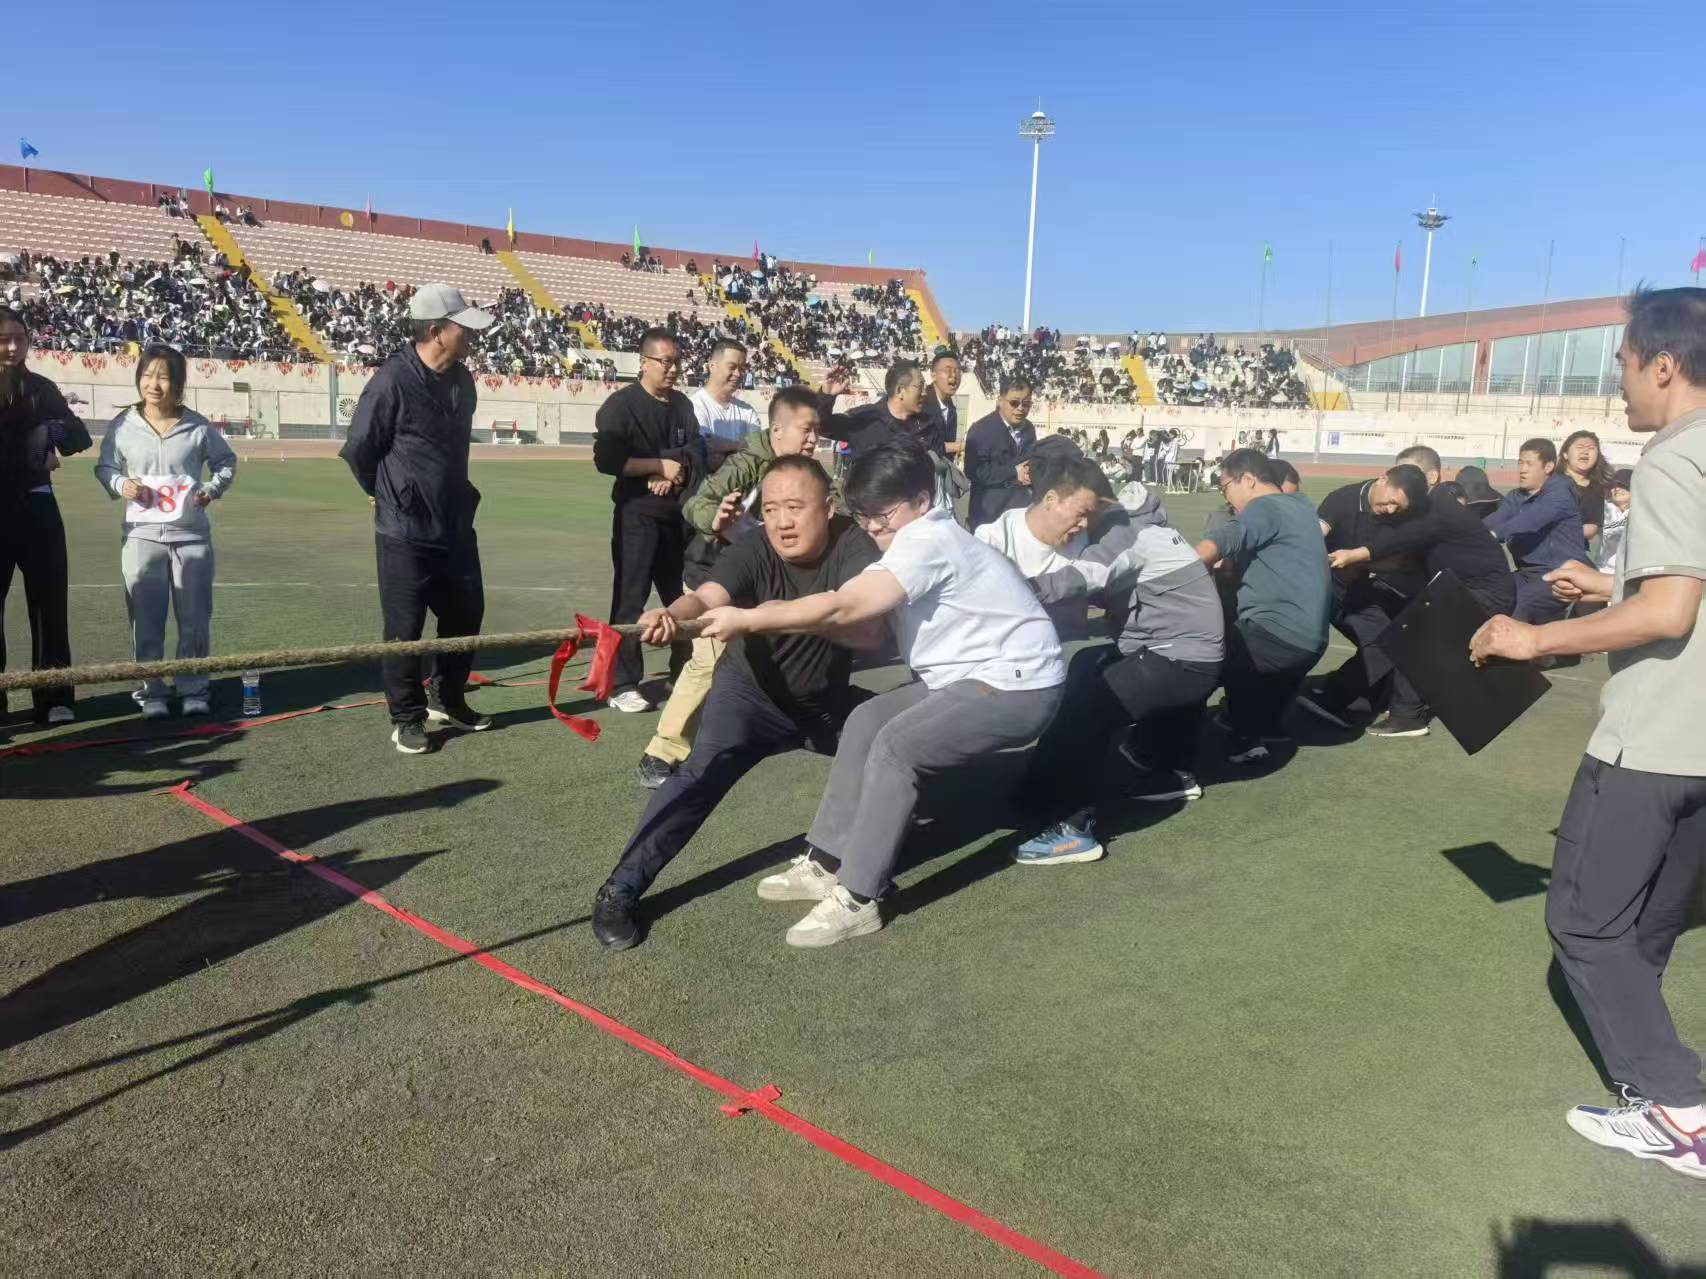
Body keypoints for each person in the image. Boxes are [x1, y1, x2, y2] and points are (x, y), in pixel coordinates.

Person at [1469, 285, 1706, 1181]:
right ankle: (1656, 1086)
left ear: (1664, 365)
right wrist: (1612, 587)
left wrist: (1535, 637)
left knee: (1584, 923)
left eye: (1624, 364)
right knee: (1647, 923)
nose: (1619, 383)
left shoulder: (1676, 457)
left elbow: (1672, 610)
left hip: (1654, 739)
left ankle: (1679, 1111)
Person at [698, 440, 1065, 948]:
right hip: (966, 675)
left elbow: (844, 606)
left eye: (882, 514)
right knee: (867, 720)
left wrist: (749, 618)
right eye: (863, 515)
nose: (872, 527)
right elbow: (859, 620)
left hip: (1020, 685)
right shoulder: (908, 537)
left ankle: (859, 896)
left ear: (922, 499)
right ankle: (827, 860)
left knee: (897, 747)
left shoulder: (929, 539)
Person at [591, 455, 880, 948]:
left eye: (795, 507)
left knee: (897, 742)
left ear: (829, 507)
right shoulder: (754, 548)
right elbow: (706, 598)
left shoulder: (854, 544)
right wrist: (671, 615)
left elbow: (868, 629)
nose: (782, 522)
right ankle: (620, 888)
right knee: (697, 778)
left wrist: (781, 615)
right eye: (770, 509)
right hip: (750, 700)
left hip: (824, 707)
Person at [1014, 476, 1226, 862]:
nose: (1077, 524)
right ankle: (1164, 773)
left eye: (1081, 512)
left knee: (1087, 710)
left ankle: (1074, 828)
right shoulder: (1148, 524)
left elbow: (1086, 576)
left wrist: (1015, 588)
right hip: (1192, 655)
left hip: (1179, 659)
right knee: (1086, 665)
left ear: (1099, 503)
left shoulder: (1123, 529)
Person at [636, 387, 824, 788]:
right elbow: (696, 504)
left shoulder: (808, 474)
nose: (814, 439)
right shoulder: (746, 464)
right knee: (709, 661)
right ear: (778, 430)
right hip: (712, 575)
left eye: (817, 430)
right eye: (806, 429)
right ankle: (662, 752)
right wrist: (717, 519)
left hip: (760, 583)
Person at [339, 283, 495, 754]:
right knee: (404, 628)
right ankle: (406, 717)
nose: (472, 335)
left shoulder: (463, 381)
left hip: (455, 523)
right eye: (463, 327)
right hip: (404, 529)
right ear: (436, 331)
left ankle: (447, 697)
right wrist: (384, 493)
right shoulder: (391, 381)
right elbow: (359, 449)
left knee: (466, 614)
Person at [93, 344, 238, 719]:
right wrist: (121, 484)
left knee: (194, 620)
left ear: (178, 384)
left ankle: (193, 688)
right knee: (145, 620)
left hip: (191, 537)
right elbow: (105, 467)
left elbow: (225, 462)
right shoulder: (123, 425)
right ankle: (152, 692)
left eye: (163, 377)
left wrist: (210, 490)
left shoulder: (198, 426)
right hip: (141, 536)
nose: (153, 385)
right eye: (147, 375)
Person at [1195, 448, 1331, 764]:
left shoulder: (1263, 506)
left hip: (1276, 637)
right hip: (1313, 640)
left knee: (1195, 659)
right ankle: (1259, 724)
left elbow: (1227, 537)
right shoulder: (1301, 505)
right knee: (1250, 673)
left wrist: (1181, 568)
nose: (1226, 497)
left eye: (1224, 487)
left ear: (1247, 480)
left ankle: (1161, 748)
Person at [593, 327, 699, 711]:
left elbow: (694, 452)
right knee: (629, 599)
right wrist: (655, 466)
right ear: (644, 362)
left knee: (683, 598)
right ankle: (622, 683)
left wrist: (672, 470)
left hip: (677, 518)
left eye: (677, 362)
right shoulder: (620, 406)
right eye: (665, 361)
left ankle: (684, 670)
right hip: (637, 518)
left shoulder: (683, 405)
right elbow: (606, 461)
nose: (673, 369)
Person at [0, 306, 90, 726]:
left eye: (19, 338)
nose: (12, 347)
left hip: (38, 509)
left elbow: (77, 437)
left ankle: (54, 698)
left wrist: (52, 432)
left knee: (50, 606)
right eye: (3, 339)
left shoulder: (41, 388)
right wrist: (30, 451)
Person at [1295, 465, 1429, 732]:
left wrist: (1362, 563)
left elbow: (1400, 559)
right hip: (1329, 587)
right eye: (1390, 501)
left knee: (1392, 640)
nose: (1390, 510)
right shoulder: (1342, 500)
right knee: (1383, 643)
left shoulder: (1405, 515)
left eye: (1398, 507)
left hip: (1367, 589)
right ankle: (1333, 698)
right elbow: (1310, 540)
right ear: (1382, 479)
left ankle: (1349, 697)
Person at [974, 456, 1103, 636]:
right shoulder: (992, 541)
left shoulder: (1086, 541)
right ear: (1050, 499)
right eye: (1080, 513)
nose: (1085, 524)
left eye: (1090, 515)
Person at [1484, 439, 1590, 624]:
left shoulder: (1560, 492)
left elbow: (1532, 520)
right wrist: (1469, 532)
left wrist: (1494, 534)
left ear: (1548, 467)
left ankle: (1513, 642)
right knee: (1492, 592)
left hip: (1564, 574)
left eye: (1529, 464)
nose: (1522, 469)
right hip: (1528, 573)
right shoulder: (1516, 496)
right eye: (1520, 463)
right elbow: (1494, 520)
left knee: (1522, 602)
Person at [963, 378, 1038, 529]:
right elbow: (974, 472)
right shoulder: (981, 430)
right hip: (989, 514)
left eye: (1026, 404)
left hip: (1020, 513)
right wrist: (1013, 472)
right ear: (1000, 401)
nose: (1020, 408)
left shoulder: (1029, 429)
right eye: (1014, 403)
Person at [688, 339, 762, 443]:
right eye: (732, 367)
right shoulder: (694, 406)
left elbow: (757, 447)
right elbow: (704, 444)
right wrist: (743, 446)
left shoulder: (748, 412)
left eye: (742, 369)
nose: (738, 374)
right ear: (712, 366)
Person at [1559, 429, 1612, 543]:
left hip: (1574, 548)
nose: (1585, 451)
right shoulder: (1550, 481)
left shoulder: (1597, 489)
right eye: (1579, 447)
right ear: (1565, 454)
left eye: (1591, 448)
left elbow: (1591, 528)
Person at [920, 351, 964, 458]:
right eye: (948, 370)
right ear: (933, 375)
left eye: (957, 370)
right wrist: (959, 446)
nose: (953, 375)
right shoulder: (920, 403)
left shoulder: (951, 408)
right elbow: (925, 445)